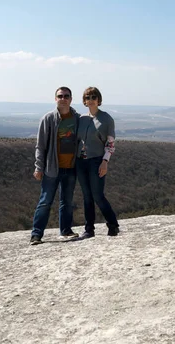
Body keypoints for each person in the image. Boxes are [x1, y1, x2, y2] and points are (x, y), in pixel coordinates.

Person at [30, 87, 80, 245]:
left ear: (71, 99)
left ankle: (65, 231)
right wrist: (39, 167)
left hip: (71, 167)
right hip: (52, 168)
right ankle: (36, 234)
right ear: (55, 98)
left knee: (67, 201)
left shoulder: (77, 118)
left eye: (66, 96)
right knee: (45, 201)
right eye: (60, 96)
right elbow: (40, 145)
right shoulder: (48, 118)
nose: (63, 98)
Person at [76, 87, 119, 238]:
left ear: (99, 100)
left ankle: (113, 225)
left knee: (98, 195)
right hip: (81, 162)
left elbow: (110, 143)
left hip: (97, 161)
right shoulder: (81, 119)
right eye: (88, 97)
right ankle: (89, 229)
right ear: (84, 100)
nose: (91, 100)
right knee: (86, 196)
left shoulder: (106, 119)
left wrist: (105, 161)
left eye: (94, 97)